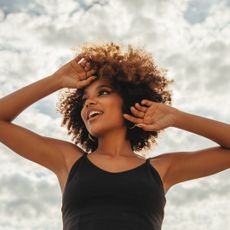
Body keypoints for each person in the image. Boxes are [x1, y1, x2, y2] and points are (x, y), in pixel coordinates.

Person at [0, 42, 230, 230]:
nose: (89, 101)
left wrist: (178, 118)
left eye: (103, 92)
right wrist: (55, 80)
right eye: (84, 99)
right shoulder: (69, 161)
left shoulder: (161, 169)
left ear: (129, 100)